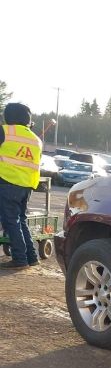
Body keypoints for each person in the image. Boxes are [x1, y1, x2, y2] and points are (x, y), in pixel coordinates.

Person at [0, 102, 42, 270]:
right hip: (26, 186)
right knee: (21, 220)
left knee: (11, 221)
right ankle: (31, 257)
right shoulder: (35, 139)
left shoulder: (5, 131)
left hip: (8, 182)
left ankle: (20, 259)